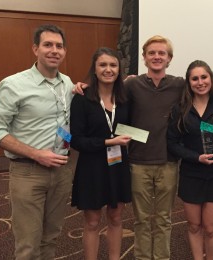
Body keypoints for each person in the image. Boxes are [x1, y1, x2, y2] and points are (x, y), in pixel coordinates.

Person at [0, 24, 74, 259]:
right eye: (48, 45)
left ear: (64, 51)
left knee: (51, 237)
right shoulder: (14, 84)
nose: (54, 50)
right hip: (28, 172)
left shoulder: (67, 84)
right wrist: (36, 153)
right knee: (28, 244)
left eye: (59, 46)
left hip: (62, 171)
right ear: (35, 49)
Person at [124, 35, 185, 260]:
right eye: (152, 53)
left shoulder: (179, 84)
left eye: (162, 53)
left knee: (163, 219)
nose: (157, 57)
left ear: (169, 59)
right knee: (140, 219)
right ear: (144, 57)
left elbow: (207, 89)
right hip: (138, 162)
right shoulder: (132, 84)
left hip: (168, 162)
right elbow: (106, 98)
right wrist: (81, 86)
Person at [69, 47, 132, 260]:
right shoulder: (82, 98)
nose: (108, 69)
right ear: (94, 70)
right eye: (103, 65)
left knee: (115, 218)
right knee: (93, 221)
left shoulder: (124, 98)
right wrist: (108, 141)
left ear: (119, 69)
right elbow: (75, 140)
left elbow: (130, 128)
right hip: (91, 167)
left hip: (118, 165)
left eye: (113, 65)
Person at [167, 60, 213, 260]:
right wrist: (196, 157)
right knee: (194, 226)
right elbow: (172, 144)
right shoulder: (181, 109)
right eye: (195, 78)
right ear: (188, 82)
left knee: (210, 227)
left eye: (204, 77)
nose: (200, 82)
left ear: (211, 78)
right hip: (191, 174)